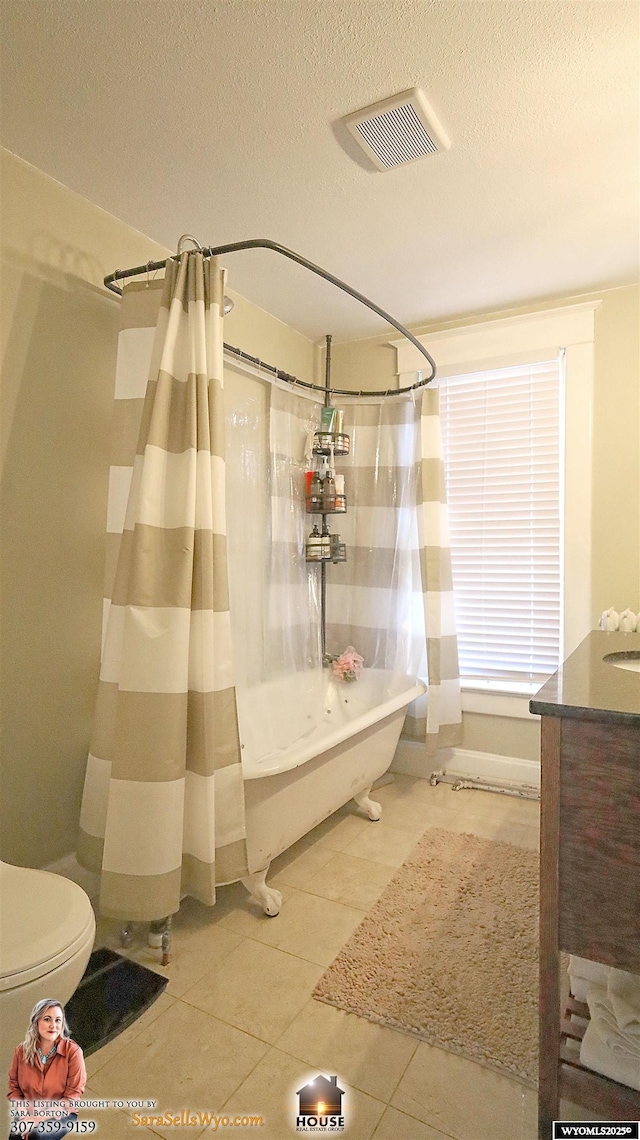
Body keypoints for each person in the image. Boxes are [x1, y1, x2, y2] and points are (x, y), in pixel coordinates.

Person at [7, 998, 85, 1138]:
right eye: (47, 1019)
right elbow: (14, 1088)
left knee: (38, 1135)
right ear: (36, 1022)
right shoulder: (21, 1051)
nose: (53, 1026)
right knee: (15, 1136)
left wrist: (37, 1120)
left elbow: (72, 1096)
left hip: (61, 1113)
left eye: (58, 1020)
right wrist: (24, 1116)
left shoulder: (73, 1052)